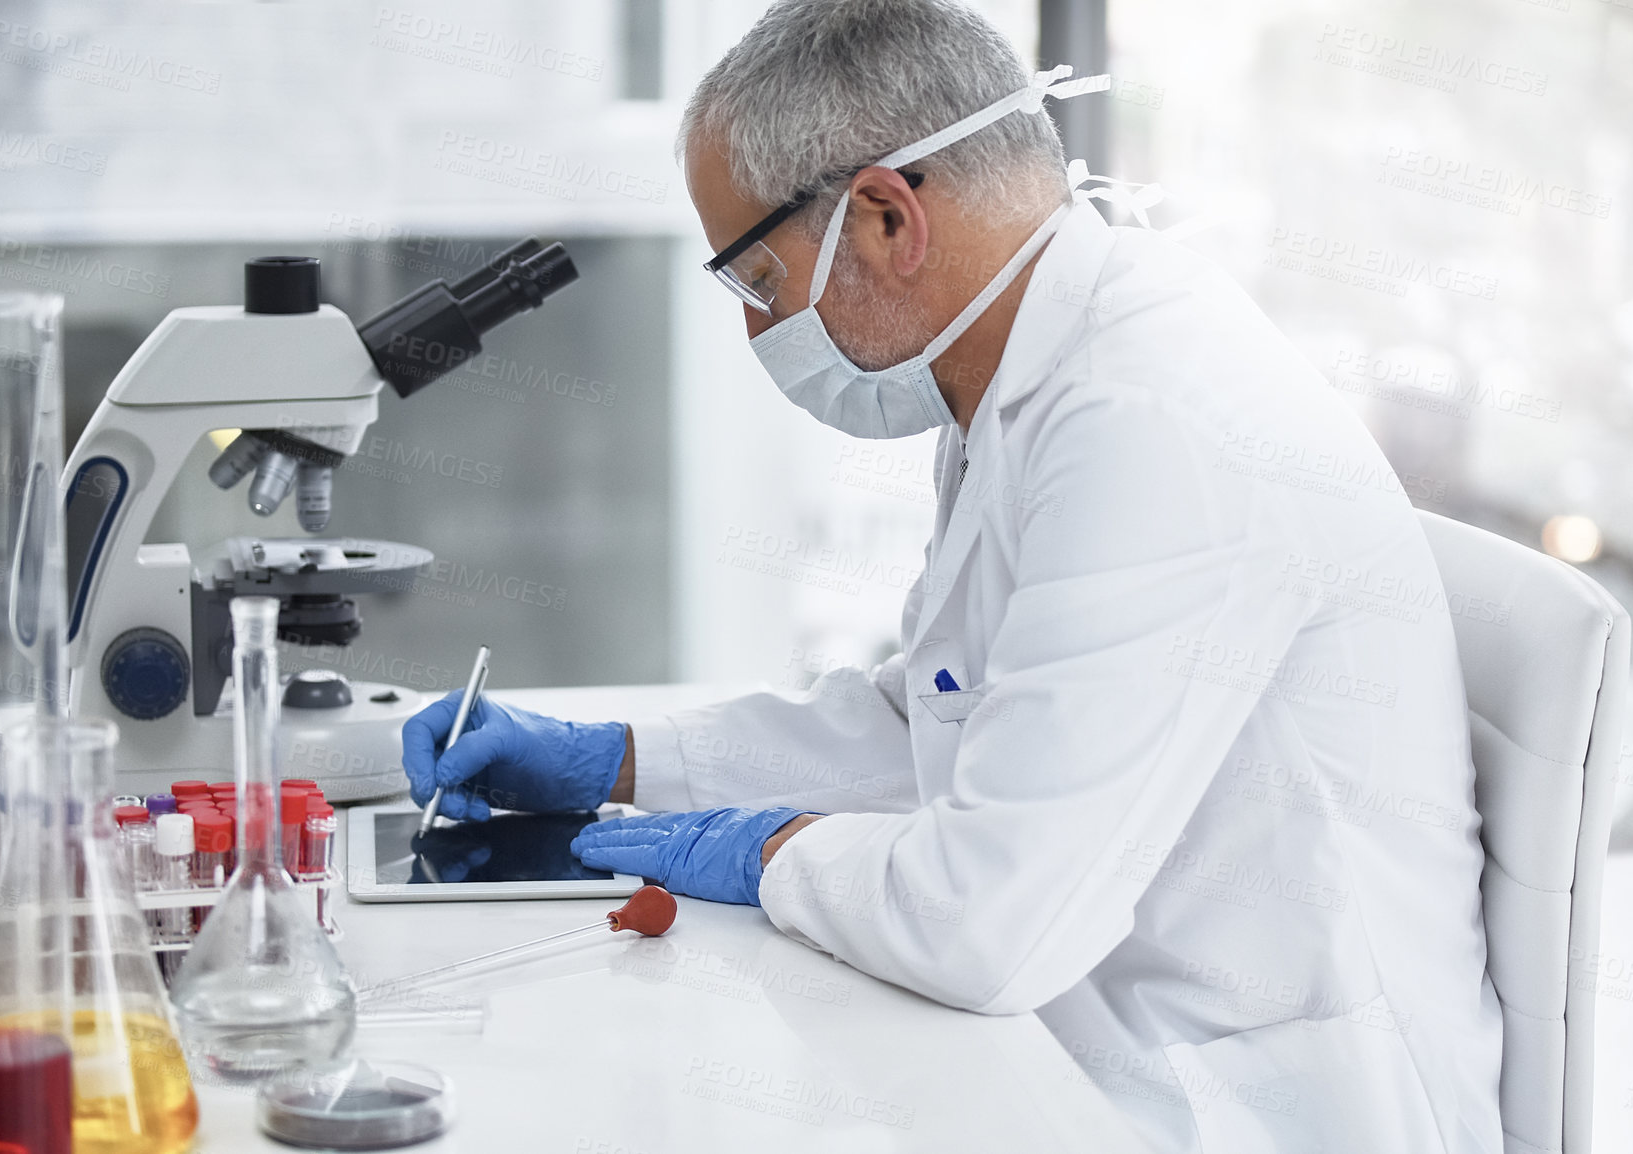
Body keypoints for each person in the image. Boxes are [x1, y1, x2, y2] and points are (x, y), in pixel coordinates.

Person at [402, 1, 1504, 1149]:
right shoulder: (1026, 373)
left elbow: (987, 924)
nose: (755, 332)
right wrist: (628, 759)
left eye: (758, 284)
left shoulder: (1151, 419)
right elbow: (938, 717)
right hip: (1101, 1027)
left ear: (884, 216)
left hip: (1247, 1101)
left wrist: (768, 849)